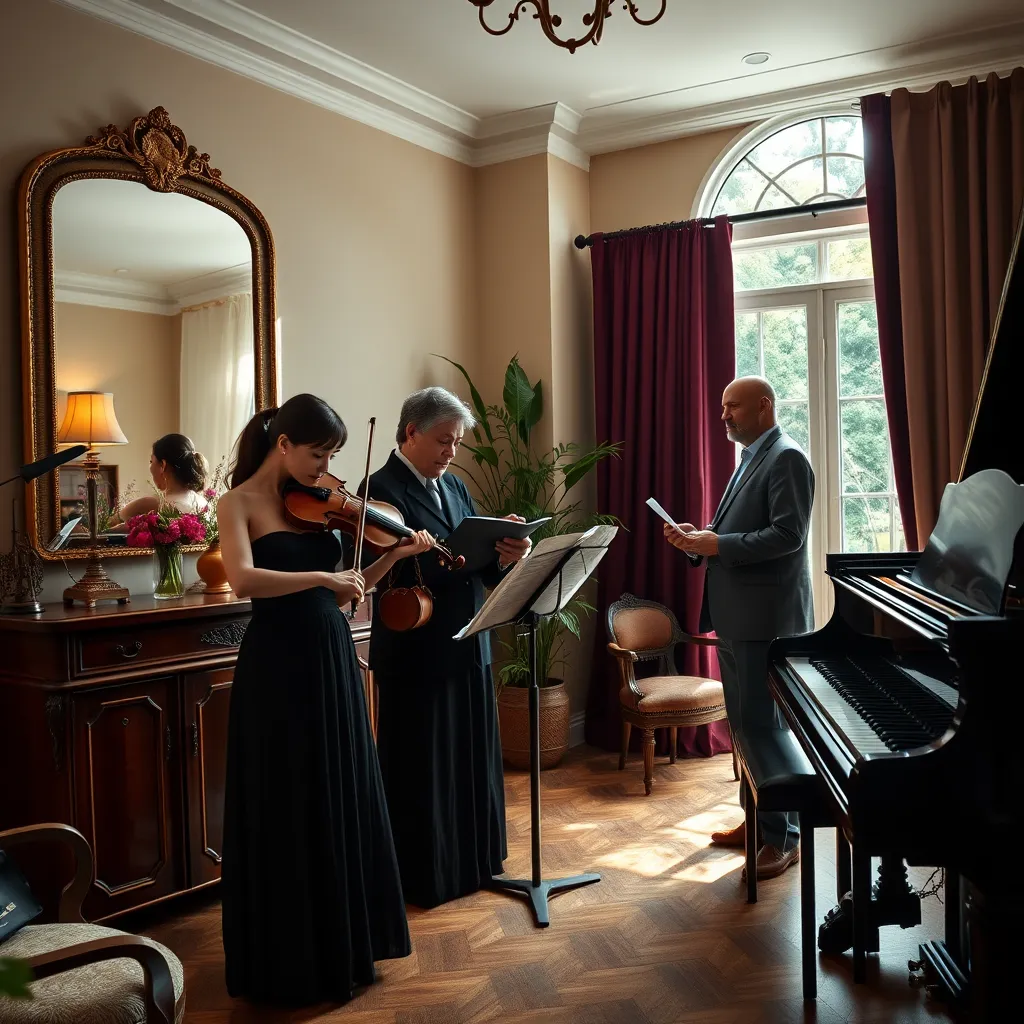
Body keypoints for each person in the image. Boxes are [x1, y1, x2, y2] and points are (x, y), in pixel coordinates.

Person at [216, 393, 436, 1007]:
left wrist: (395, 553)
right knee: (288, 797)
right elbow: (243, 579)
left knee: (339, 789)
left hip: (330, 656)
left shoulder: (320, 510)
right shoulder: (238, 503)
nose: (325, 468)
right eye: (317, 455)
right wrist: (320, 576)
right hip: (277, 666)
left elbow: (348, 593)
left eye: (332, 455)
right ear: (283, 444)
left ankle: (346, 947)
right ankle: (290, 958)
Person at [363, 386, 532, 908]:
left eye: (456, 443)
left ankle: (476, 862)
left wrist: (506, 550)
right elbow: (386, 572)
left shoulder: (455, 487)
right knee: (423, 765)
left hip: (468, 640)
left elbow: (472, 561)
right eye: (443, 441)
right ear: (410, 433)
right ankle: (426, 876)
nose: (451, 453)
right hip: (416, 652)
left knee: (472, 757)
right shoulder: (379, 490)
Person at [663, 375, 814, 881]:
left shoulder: (787, 456)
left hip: (764, 620)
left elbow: (788, 536)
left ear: (765, 406)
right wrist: (699, 538)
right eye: (723, 405)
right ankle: (757, 820)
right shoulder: (752, 455)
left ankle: (782, 838)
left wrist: (717, 546)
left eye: (733, 406)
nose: (723, 415)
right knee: (745, 727)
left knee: (763, 728)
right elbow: (735, 533)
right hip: (738, 615)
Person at [108, 433, 209, 525]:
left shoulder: (150, 504)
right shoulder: (204, 504)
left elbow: (105, 531)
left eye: (151, 461)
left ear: (163, 465)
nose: (150, 466)